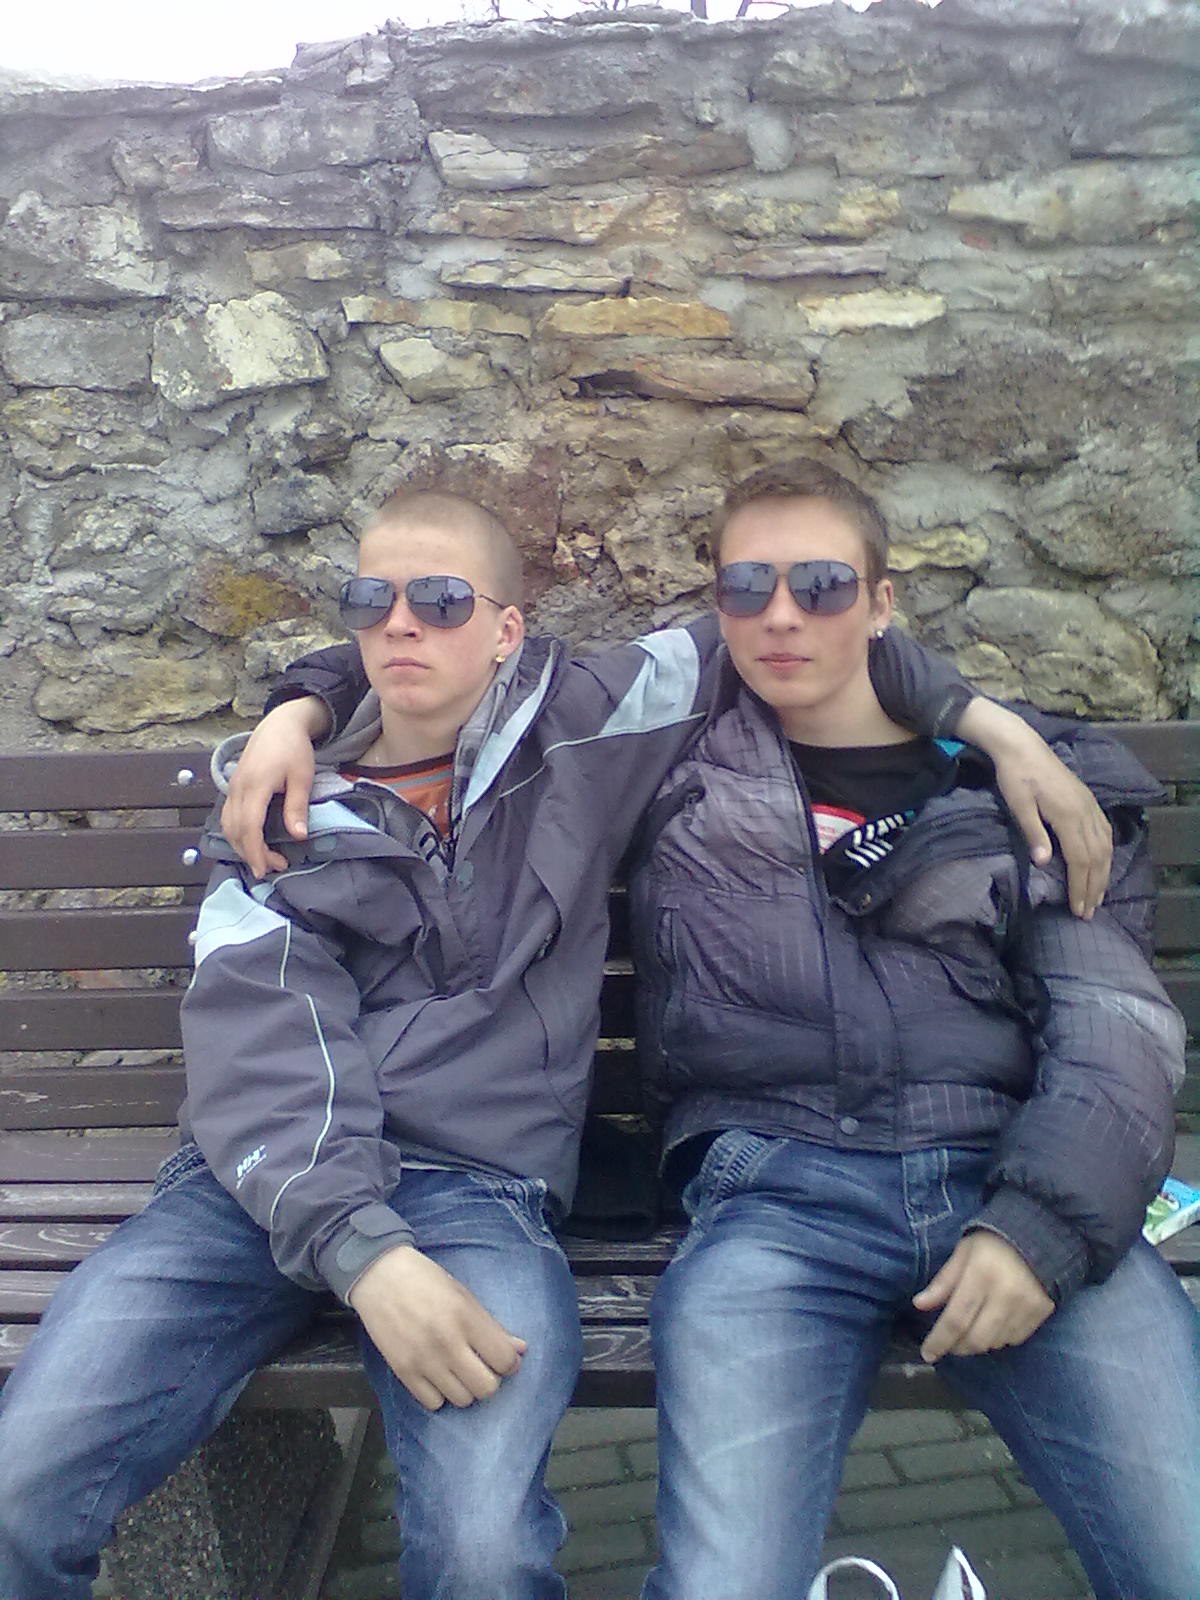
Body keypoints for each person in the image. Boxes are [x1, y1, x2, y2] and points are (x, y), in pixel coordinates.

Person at [0, 484, 1110, 1600]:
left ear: (507, 628)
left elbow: (793, 621)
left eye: (440, 600)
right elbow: (258, 1042)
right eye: (371, 601)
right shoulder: (277, 805)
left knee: (483, 1555)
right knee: (19, 1487)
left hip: (476, 1188)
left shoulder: (587, 722)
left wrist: (993, 727)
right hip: (254, 1190)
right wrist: (362, 1251)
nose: (400, 625)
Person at [624, 462, 1199, 1600]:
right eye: (745, 586)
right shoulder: (675, 762)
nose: (781, 615)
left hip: (1005, 1174)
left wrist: (1040, 1226)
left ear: (882, 602)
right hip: (774, 1197)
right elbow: (456, 661)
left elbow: (1115, 1021)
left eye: (823, 585)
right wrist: (300, 712)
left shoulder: (1013, 788)